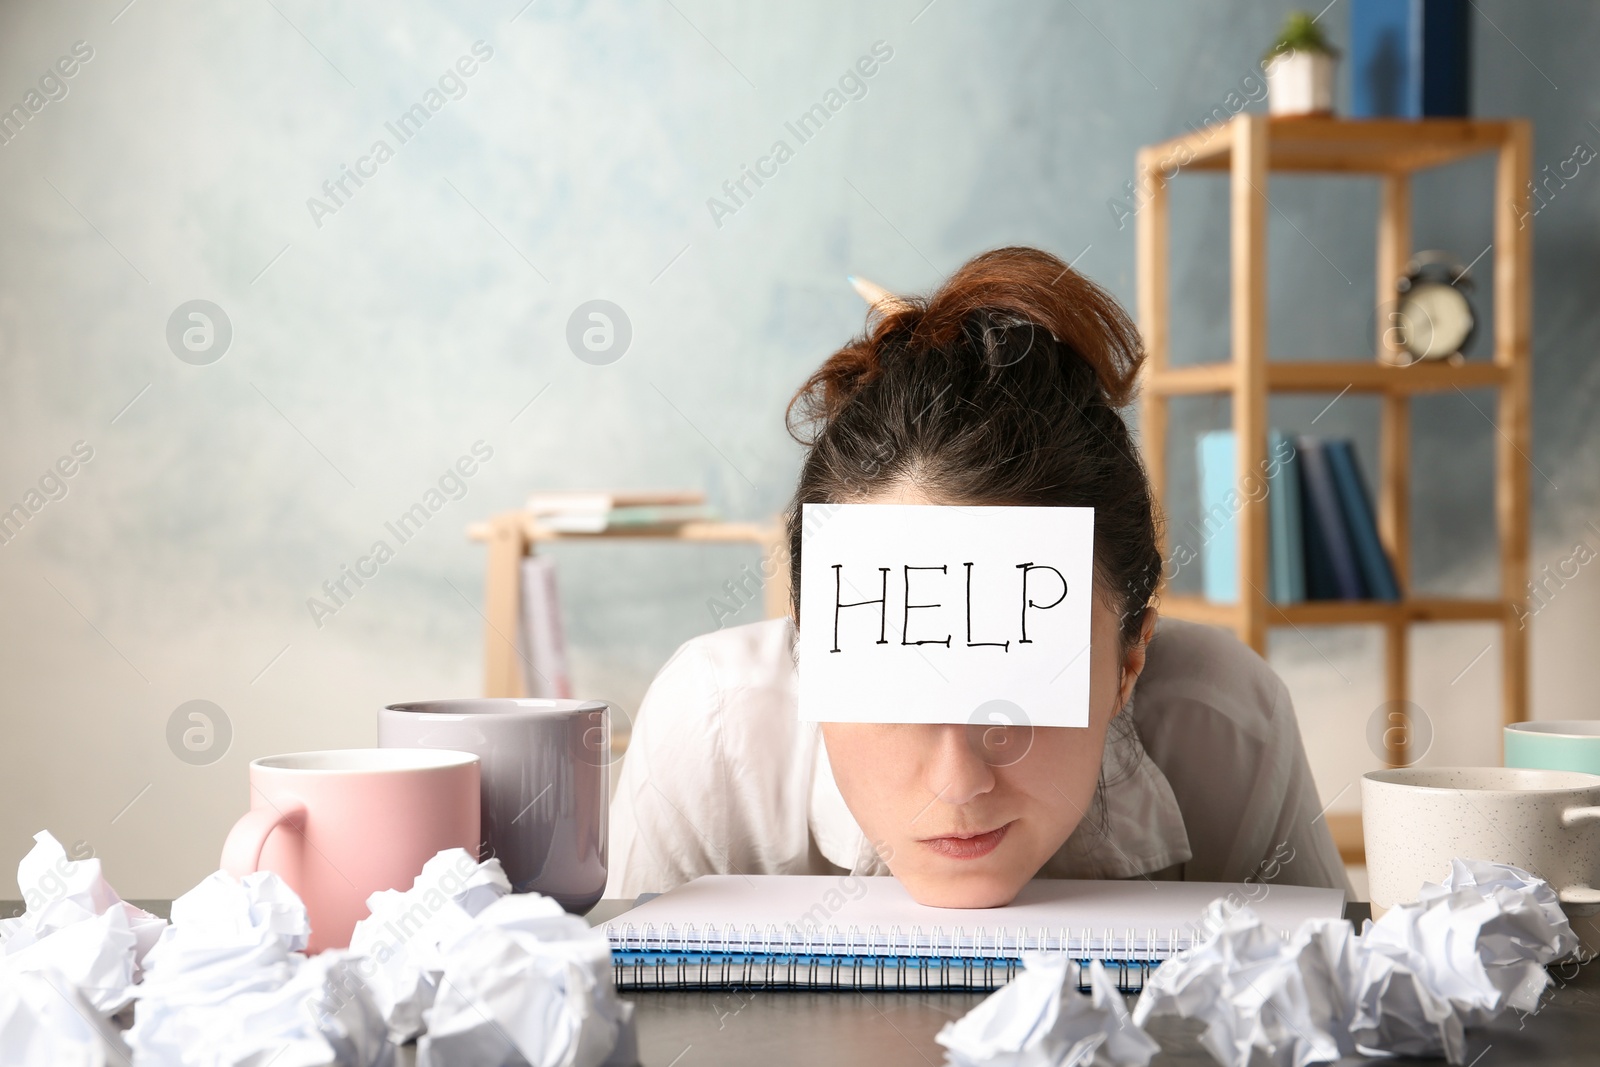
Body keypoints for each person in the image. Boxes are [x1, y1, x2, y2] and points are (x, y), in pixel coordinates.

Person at [607, 246, 1349, 907]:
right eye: (896, 684)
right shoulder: (709, 728)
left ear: (1129, 661)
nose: (959, 783)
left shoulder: (1230, 725)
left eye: (1017, 688)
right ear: (812, 650)